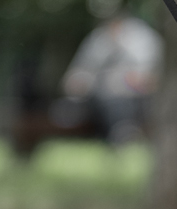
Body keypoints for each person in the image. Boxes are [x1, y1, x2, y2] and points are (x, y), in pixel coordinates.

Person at [61, 9, 163, 143]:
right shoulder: (98, 38)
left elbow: (149, 73)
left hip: (135, 94)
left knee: (117, 94)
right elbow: (79, 71)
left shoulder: (143, 37)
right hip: (97, 94)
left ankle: (123, 131)